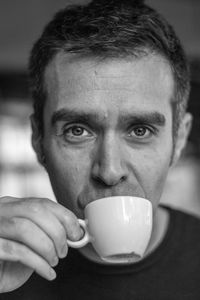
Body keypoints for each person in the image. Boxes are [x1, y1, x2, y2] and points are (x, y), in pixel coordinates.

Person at [0, 0, 199, 298]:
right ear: (38, 140)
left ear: (179, 139)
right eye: (77, 130)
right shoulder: (7, 263)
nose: (109, 171)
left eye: (140, 130)